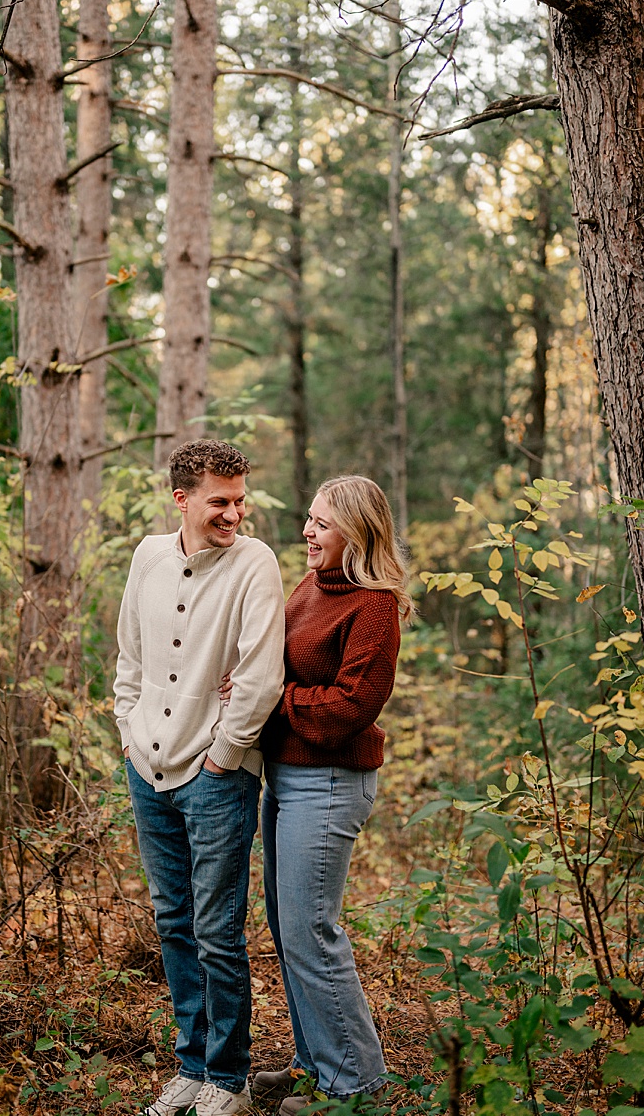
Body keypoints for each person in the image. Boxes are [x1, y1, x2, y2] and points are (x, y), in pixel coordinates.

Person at [114, 439, 285, 1116]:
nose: (234, 513)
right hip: (146, 767)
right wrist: (129, 730)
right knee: (173, 921)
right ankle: (189, 1066)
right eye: (220, 500)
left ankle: (227, 1078)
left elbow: (261, 675)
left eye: (240, 499)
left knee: (217, 930)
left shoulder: (255, 565)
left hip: (216, 775)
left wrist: (224, 754)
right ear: (182, 499)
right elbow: (129, 655)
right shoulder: (148, 556)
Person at [251, 475, 412, 1113]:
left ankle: (357, 1088)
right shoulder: (314, 587)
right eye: (310, 520)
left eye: (321, 523)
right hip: (286, 776)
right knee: (289, 930)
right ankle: (316, 1063)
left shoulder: (374, 605)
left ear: (358, 533)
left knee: (311, 930)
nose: (308, 532)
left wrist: (272, 697)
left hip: (329, 780)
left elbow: (345, 712)